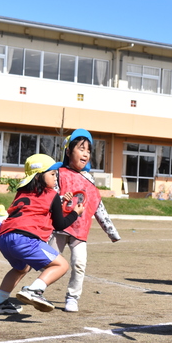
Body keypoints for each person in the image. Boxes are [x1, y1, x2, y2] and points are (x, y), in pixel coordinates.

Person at [0, 154, 84, 315]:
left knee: (21, 268)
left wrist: (60, 203)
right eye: (52, 174)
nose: (56, 178)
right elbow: (60, 224)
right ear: (39, 176)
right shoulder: (51, 194)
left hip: (4, 237)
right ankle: (34, 290)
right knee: (61, 265)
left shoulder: (22, 193)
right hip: (24, 239)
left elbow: (35, 207)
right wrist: (75, 213)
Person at [49, 129, 120, 313]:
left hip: (80, 231)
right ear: (68, 151)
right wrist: (62, 197)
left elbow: (98, 206)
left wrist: (111, 231)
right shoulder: (59, 173)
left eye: (88, 150)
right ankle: (38, 290)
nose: (86, 154)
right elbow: (50, 198)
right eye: (81, 149)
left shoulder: (89, 179)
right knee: (48, 261)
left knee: (79, 264)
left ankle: (72, 297)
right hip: (59, 228)